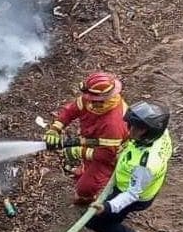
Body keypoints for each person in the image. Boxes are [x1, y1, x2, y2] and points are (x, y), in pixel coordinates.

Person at [88, 101, 173, 232]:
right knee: (109, 213)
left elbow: (132, 194)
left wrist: (107, 207)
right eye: (131, 125)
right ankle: (115, 217)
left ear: (149, 132)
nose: (130, 130)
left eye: (137, 128)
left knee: (95, 222)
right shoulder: (160, 136)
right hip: (139, 184)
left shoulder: (144, 165)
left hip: (133, 194)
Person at [44, 71, 129, 205]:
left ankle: (86, 199)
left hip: (110, 154)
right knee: (86, 170)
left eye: (91, 99)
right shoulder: (92, 100)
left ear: (102, 99)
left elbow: (107, 155)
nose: (87, 100)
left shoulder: (113, 123)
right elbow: (70, 111)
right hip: (93, 142)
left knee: (85, 187)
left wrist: (79, 151)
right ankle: (85, 171)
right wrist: (55, 129)